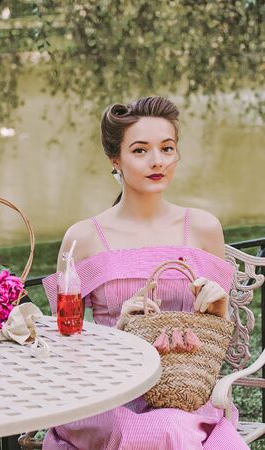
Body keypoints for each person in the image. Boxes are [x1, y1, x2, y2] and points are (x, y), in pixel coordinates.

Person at [43, 96, 249, 449]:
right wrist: (119, 333)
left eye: (167, 148)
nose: (158, 162)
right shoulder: (85, 237)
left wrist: (220, 311)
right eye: (140, 151)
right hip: (104, 395)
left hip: (181, 391)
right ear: (115, 159)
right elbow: (63, 345)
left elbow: (217, 341)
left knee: (171, 426)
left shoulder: (202, 228)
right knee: (157, 431)